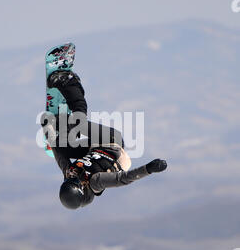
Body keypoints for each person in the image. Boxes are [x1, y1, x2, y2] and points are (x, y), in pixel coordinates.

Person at [41, 70, 167, 210]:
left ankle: (64, 126)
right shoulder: (96, 182)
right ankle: (71, 82)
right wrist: (148, 169)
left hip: (92, 148)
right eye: (75, 179)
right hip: (112, 142)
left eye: (69, 179)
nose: (72, 176)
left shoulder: (69, 173)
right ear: (82, 187)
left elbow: (58, 153)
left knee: (61, 145)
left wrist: (48, 129)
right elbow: (123, 179)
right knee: (79, 123)